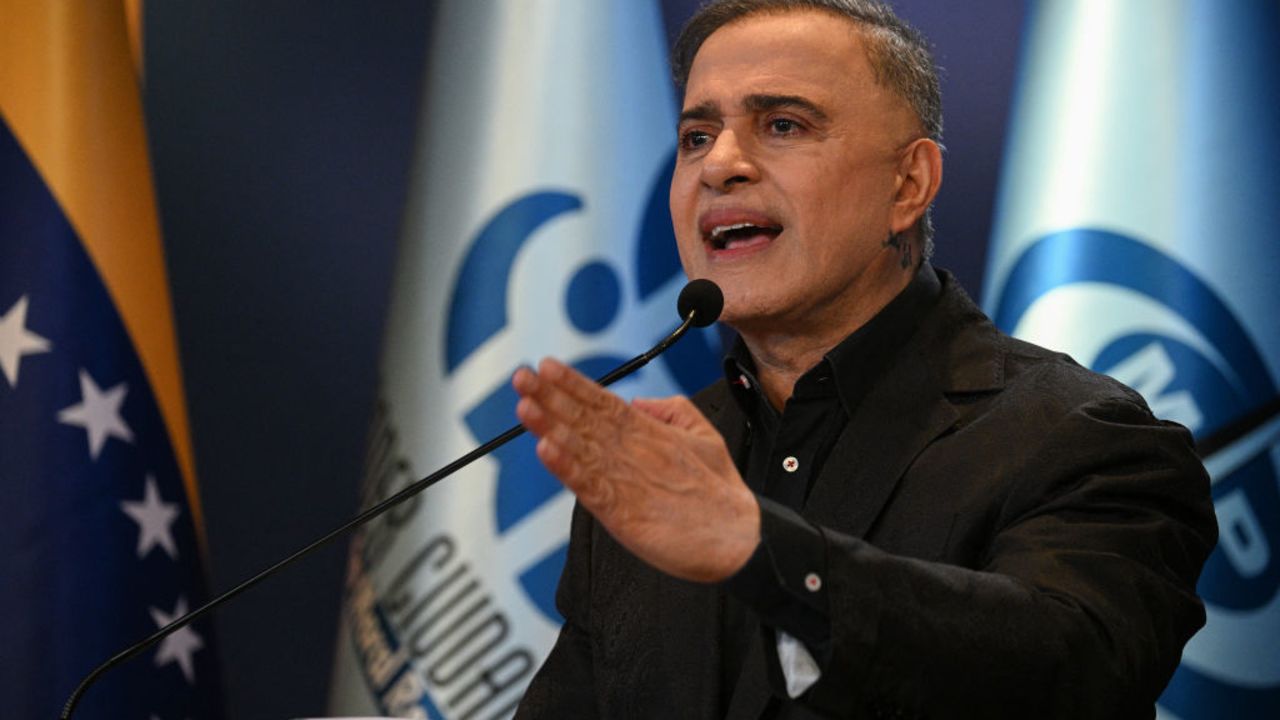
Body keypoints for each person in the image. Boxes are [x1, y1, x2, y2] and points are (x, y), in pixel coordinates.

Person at [511, 1, 1217, 717]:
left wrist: (767, 553)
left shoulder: (1083, 438)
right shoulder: (662, 468)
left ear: (908, 185)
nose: (719, 164)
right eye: (697, 135)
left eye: (783, 124)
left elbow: (1066, 673)